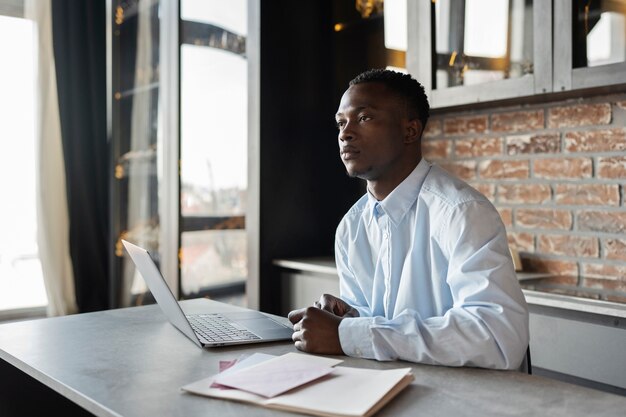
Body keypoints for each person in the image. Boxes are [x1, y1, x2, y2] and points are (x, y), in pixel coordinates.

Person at [288, 69, 529, 370]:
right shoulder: (351, 227)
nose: (345, 133)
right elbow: (379, 328)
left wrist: (347, 334)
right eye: (341, 122)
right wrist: (350, 316)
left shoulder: (462, 212)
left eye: (364, 118)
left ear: (410, 131)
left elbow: (497, 336)